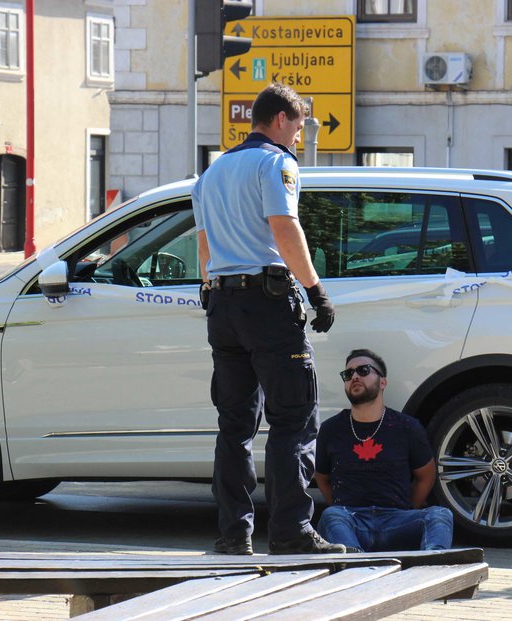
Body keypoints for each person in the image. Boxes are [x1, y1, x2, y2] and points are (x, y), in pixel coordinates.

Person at [193, 83, 344, 556]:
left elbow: (204, 245)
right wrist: (317, 291)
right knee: (293, 421)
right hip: (267, 303)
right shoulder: (276, 163)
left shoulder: (212, 173)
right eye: (298, 126)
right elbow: (284, 227)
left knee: (234, 426)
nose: (299, 137)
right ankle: (291, 532)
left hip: (222, 302)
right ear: (280, 119)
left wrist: (211, 290)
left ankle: (233, 536)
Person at [314, 349, 453, 552]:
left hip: (397, 521)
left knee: (441, 515)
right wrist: (343, 509)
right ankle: (355, 562)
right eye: (348, 374)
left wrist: (407, 509)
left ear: (383, 382)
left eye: (363, 370)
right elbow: (322, 477)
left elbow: (426, 475)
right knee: (332, 514)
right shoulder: (331, 429)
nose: (354, 376)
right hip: (352, 520)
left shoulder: (407, 427)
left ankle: (432, 563)